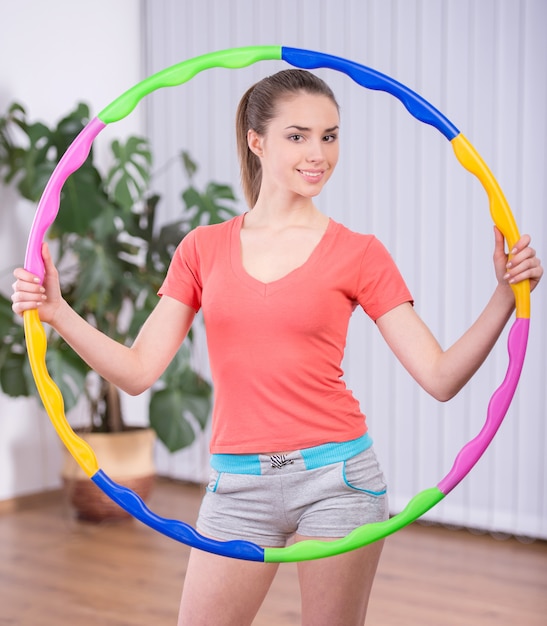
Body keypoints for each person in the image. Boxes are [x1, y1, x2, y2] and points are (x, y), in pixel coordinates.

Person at [11, 69, 543, 626]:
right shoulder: (203, 249)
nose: (319, 153)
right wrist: (57, 312)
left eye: (330, 136)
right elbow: (139, 370)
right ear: (256, 139)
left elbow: (439, 377)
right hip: (237, 484)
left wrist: (505, 297)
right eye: (298, 135)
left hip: (337, 478)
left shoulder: (360, 253)